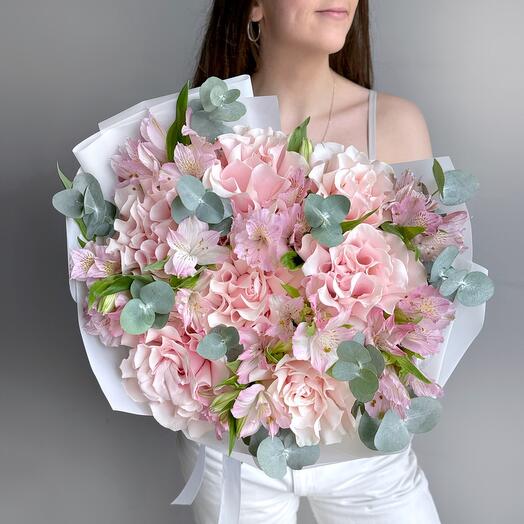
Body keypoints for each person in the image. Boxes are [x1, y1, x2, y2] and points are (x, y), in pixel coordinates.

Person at [176, 1, 441, 523]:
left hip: (364, 446)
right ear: (255, 5)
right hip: (234, 445)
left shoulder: (394, 125)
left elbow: (426, 300)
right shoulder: (195, 131)